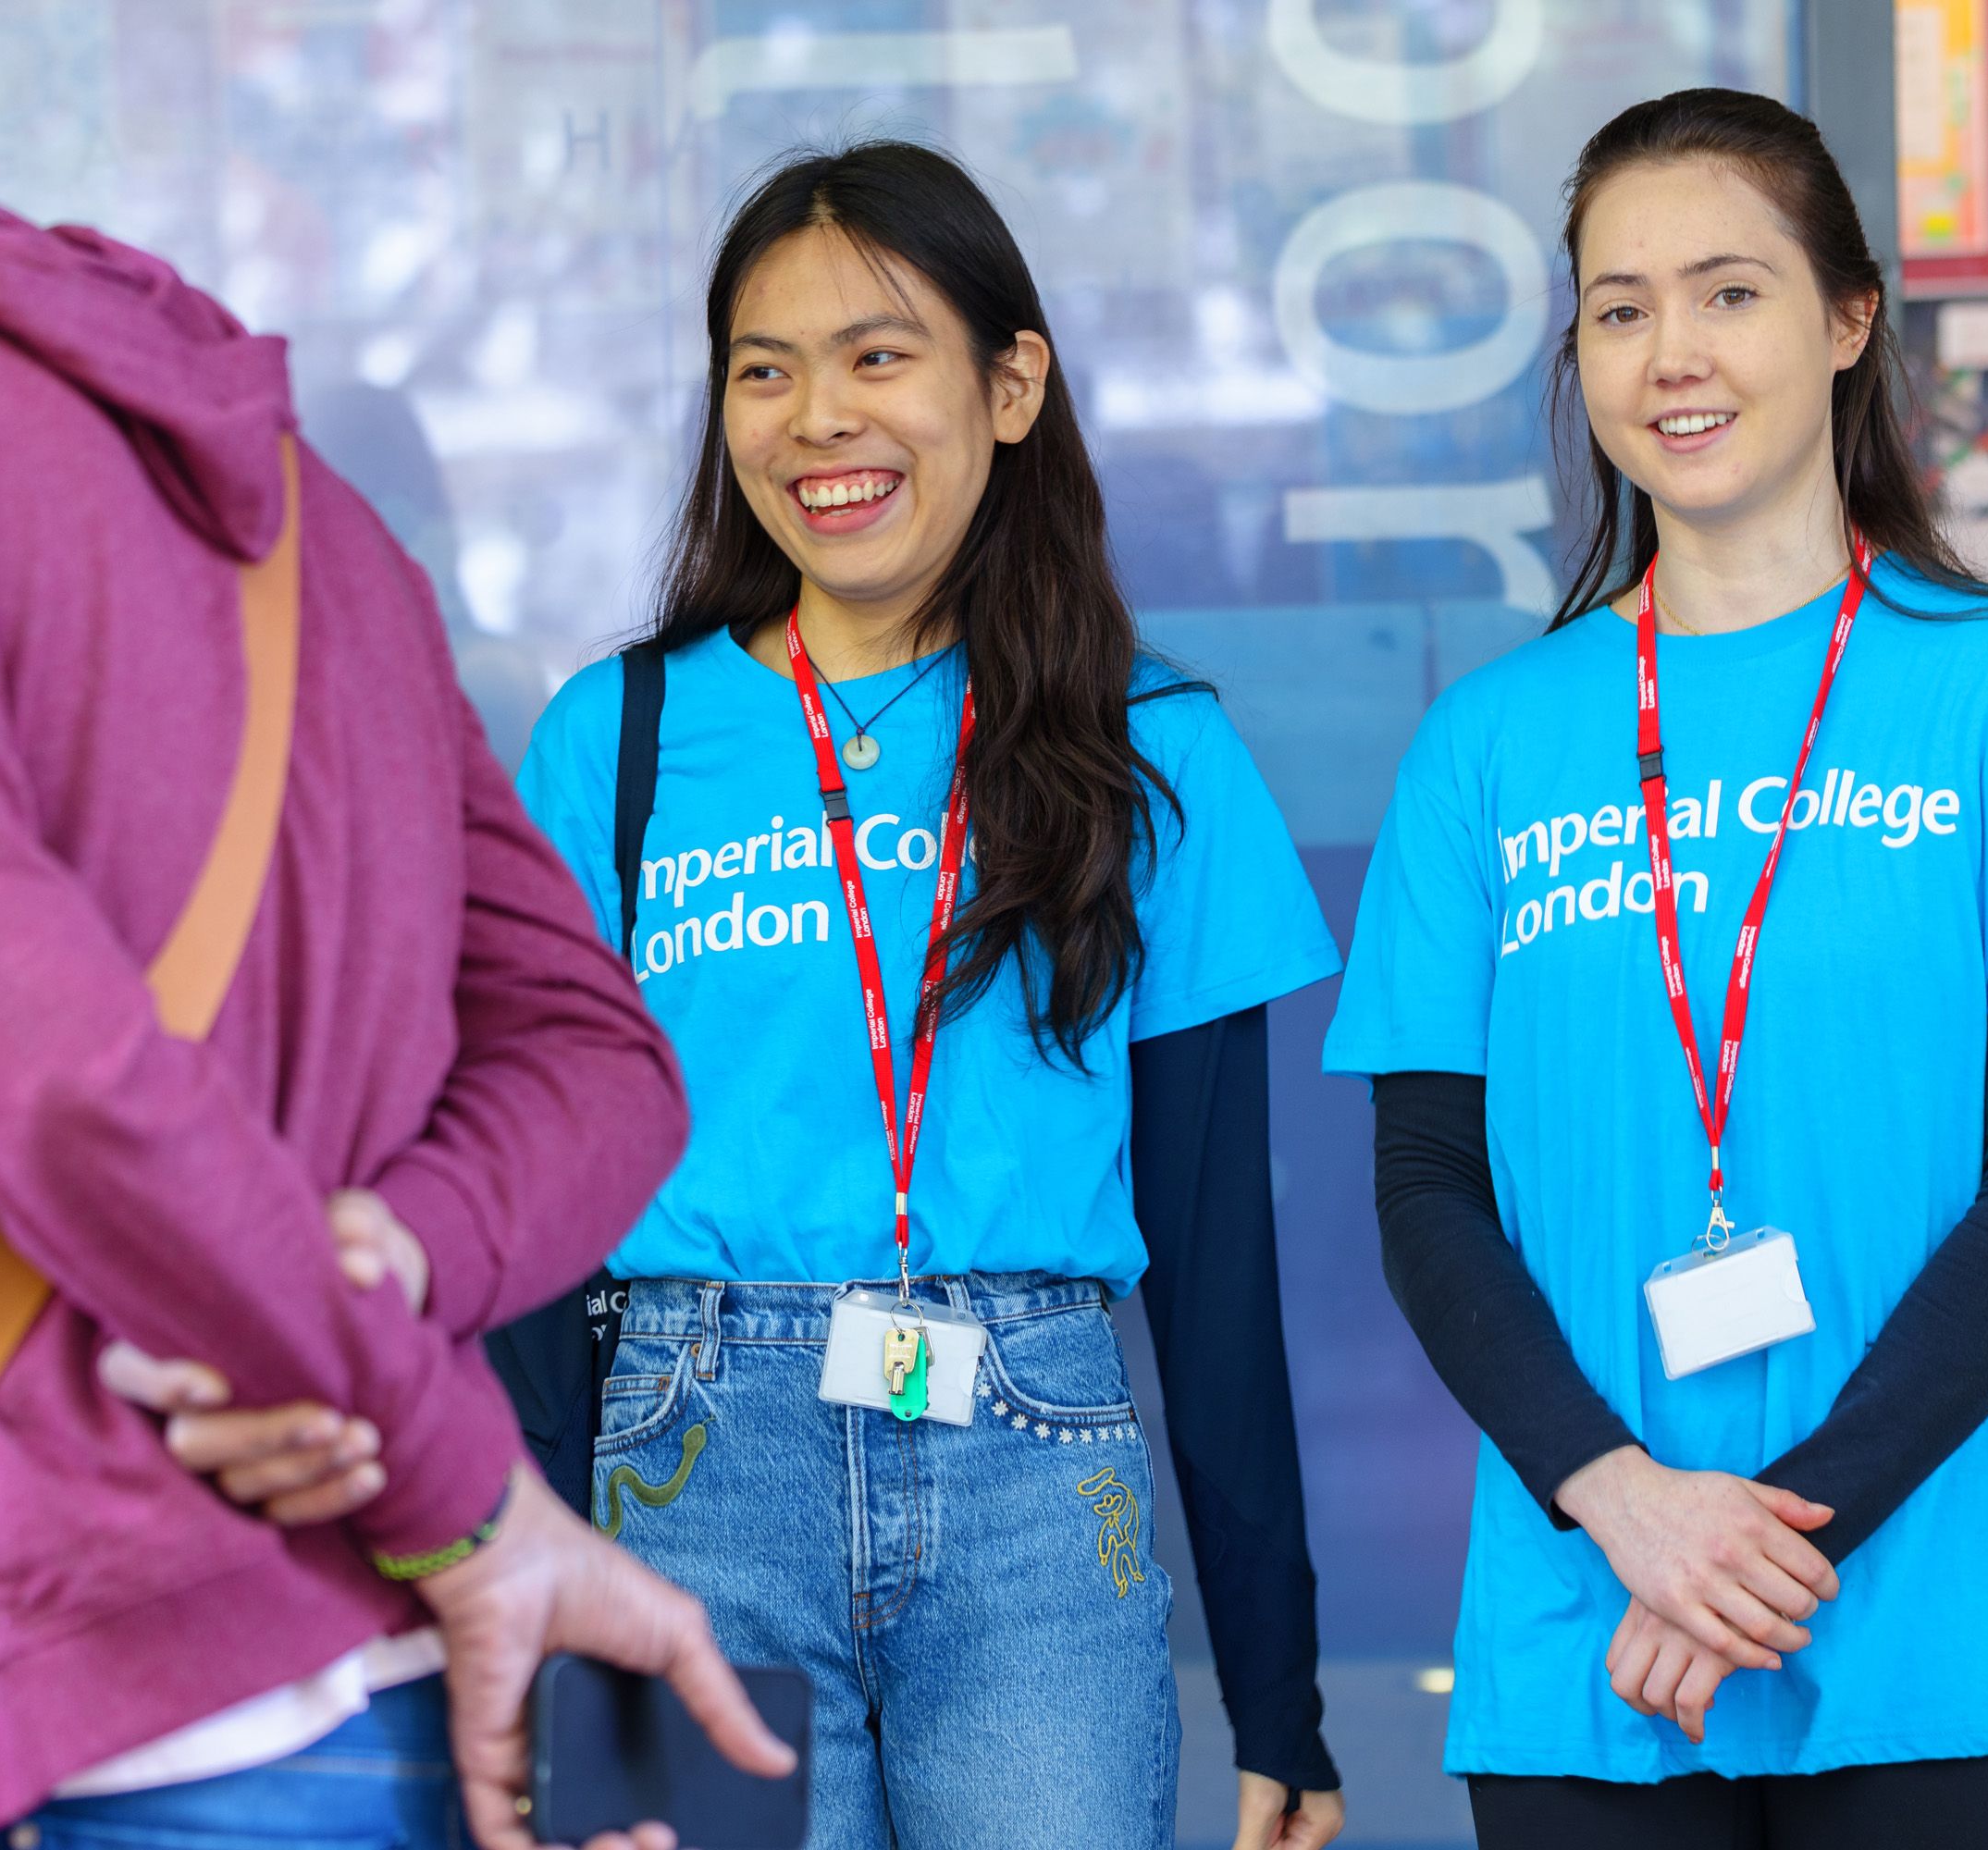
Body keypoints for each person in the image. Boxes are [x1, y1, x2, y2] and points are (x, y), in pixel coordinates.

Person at [0, 8, 790, 1847]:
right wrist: (380, 1269)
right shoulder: (280, 488)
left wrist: (451, 1473)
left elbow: (45, 1072)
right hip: (369, 1708)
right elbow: (595, 1062)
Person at [1323, 89, 1988, 1849]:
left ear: (1847, 318)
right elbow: (1426, 1191)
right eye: (1620, 309)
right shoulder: (1488, 745)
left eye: (1728, 291)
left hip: (1934, 1614)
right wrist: (1629, 1510)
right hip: (1592, 1614)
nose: (1671, 354)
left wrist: (1749, 1547)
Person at [512, 141, 1345, 1850]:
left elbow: (1216, 1259)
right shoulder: (616, 740)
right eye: (766, 369)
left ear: (1012, 382)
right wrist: (534, 1621)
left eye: (878, 355)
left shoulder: (1151, 745)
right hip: (681, 1478)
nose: (818, 417)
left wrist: (1281, 1695)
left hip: (1037, 1480)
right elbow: (534, 1223)